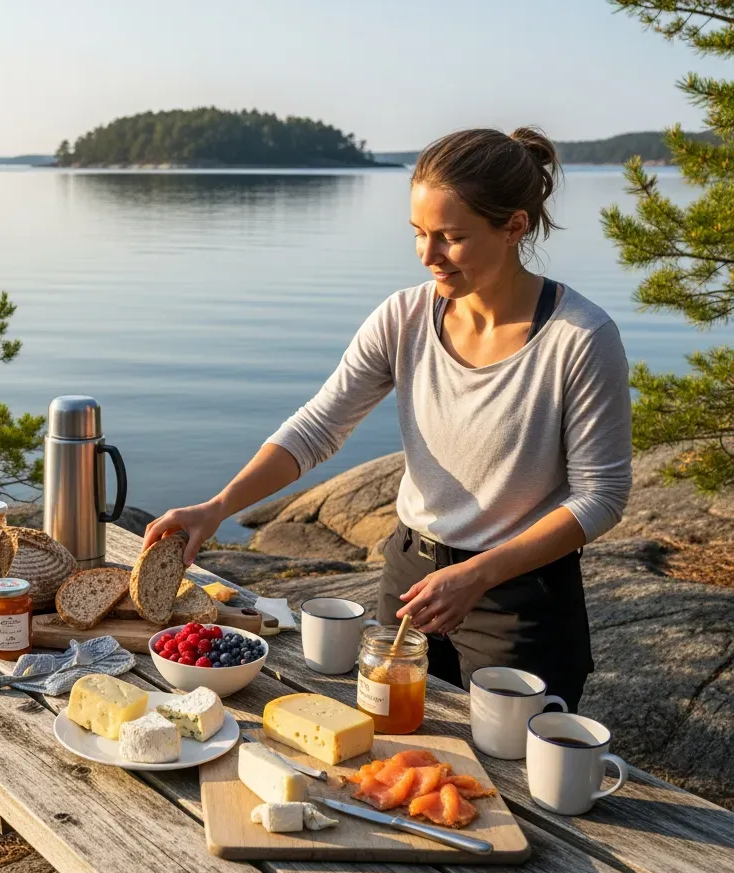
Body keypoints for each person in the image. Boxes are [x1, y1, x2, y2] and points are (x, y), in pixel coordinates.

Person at [142, 127, 631, 712]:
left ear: (514, 227)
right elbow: (318, 427)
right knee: (394, 745)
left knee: (517, 783)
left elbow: (601, 496)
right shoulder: (403, 317)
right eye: (420, 234)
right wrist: (218, 506)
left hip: (518, 598)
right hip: (408, 576)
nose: (429, 255)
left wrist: (479, 573)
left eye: (452, 237)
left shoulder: (581, 338)